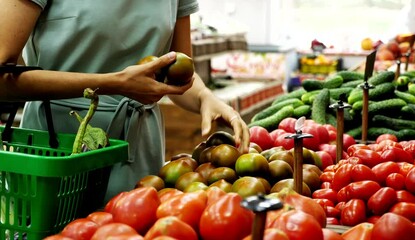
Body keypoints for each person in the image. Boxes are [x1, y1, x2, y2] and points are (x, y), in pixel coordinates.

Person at [0, 0, 250, 201]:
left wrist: (205, 97)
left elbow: (176, 69)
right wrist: (114, 83)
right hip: (59, 145)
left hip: (138, 146)